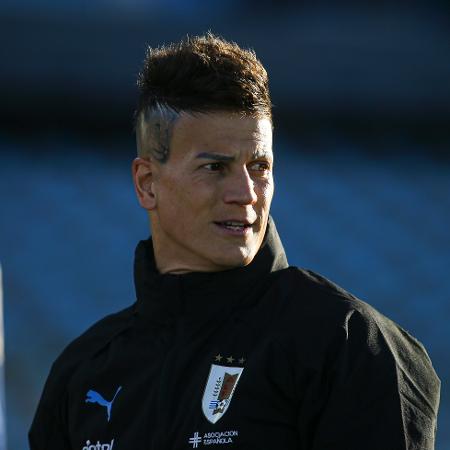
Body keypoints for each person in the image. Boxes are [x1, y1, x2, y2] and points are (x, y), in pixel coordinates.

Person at [29, 33, 440, 450]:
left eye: (259, 166)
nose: (245, 193)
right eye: (215, 167)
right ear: (147, 183)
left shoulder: (349, 345)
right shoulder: (83, 372)